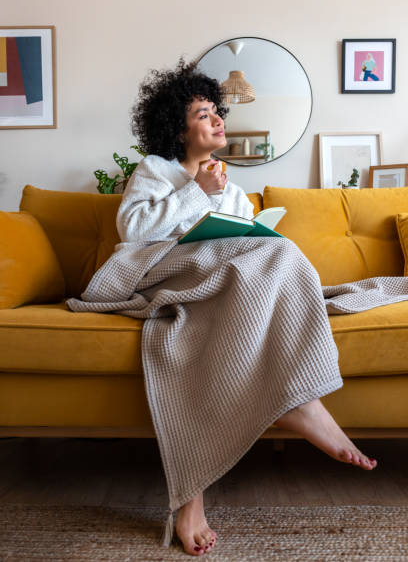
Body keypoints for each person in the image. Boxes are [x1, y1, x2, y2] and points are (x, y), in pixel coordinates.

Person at [70, 58, 378, 557]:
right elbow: (134, 233)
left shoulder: (230, 187)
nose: (217, 120)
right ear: (177, 127)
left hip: (213, 285)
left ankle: (279, 420)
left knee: (274, 252)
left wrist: (232, 210)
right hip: (157, 275)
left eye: (217, 111)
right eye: (201, 113)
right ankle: (301, 406)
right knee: (279, 253)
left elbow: (242, 241)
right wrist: (197, 192)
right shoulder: (155, 170)